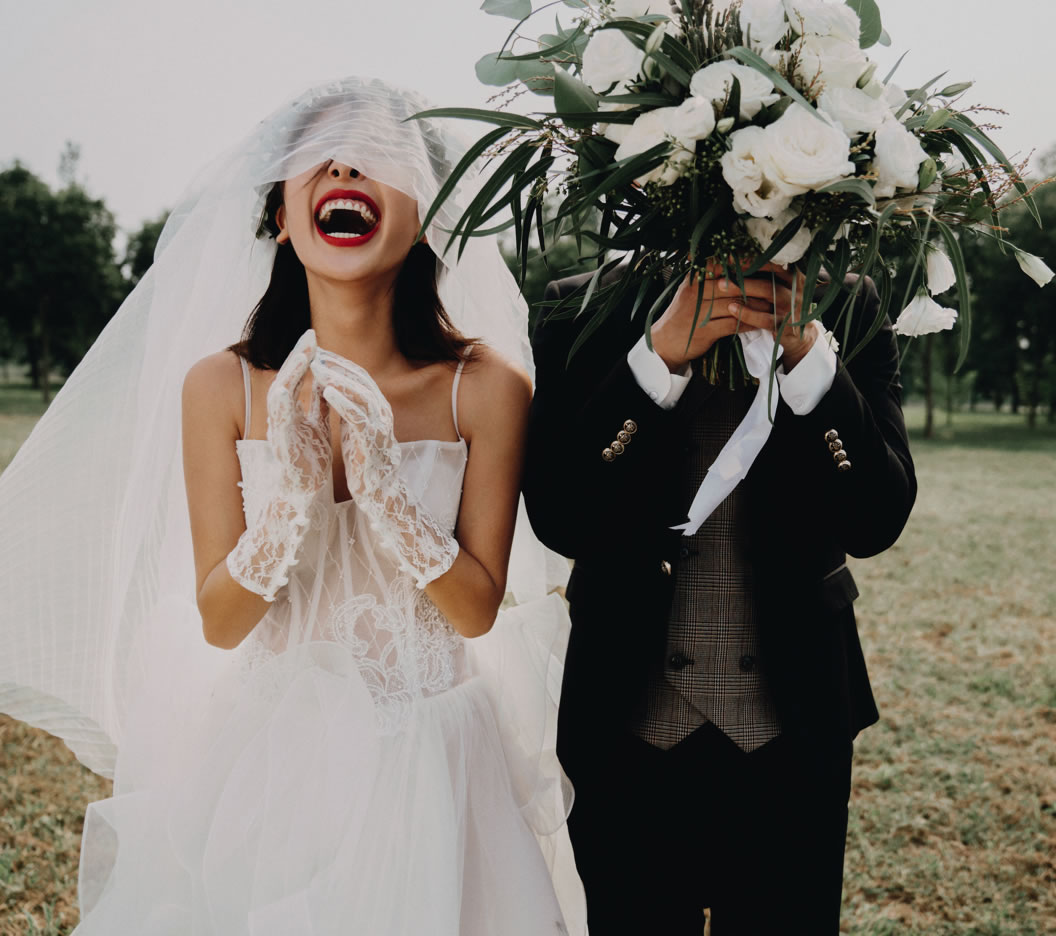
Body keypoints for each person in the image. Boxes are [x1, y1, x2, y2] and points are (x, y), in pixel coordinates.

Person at [0, 77, 582, 935]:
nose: (345, 167)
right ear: (282, 213)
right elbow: (221, 622)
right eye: (322, 155)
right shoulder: (221, 387)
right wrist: (294, 503)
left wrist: (386, 493)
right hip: (270, 765)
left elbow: (475, 611)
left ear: (427, 213)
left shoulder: (486, 387)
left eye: (376, 155)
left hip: (435, 759)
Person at [522, 261, 916, 934]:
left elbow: (875, 520)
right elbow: (561, 517)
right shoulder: (578, 307)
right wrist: (658, 358)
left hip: (796, 729)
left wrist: (807, 354)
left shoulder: (848, 304)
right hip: (623, 731)